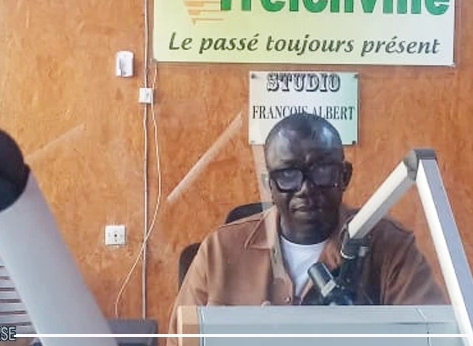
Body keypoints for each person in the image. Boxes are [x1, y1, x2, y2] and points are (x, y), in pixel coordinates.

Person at [166, 113, 445, 342]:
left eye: (321, 171)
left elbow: (436, 336)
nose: (305, 189)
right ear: (269, 185)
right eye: (288, 175)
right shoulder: (219, 251)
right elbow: (179, 340)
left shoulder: (390, 246)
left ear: (344, 176)